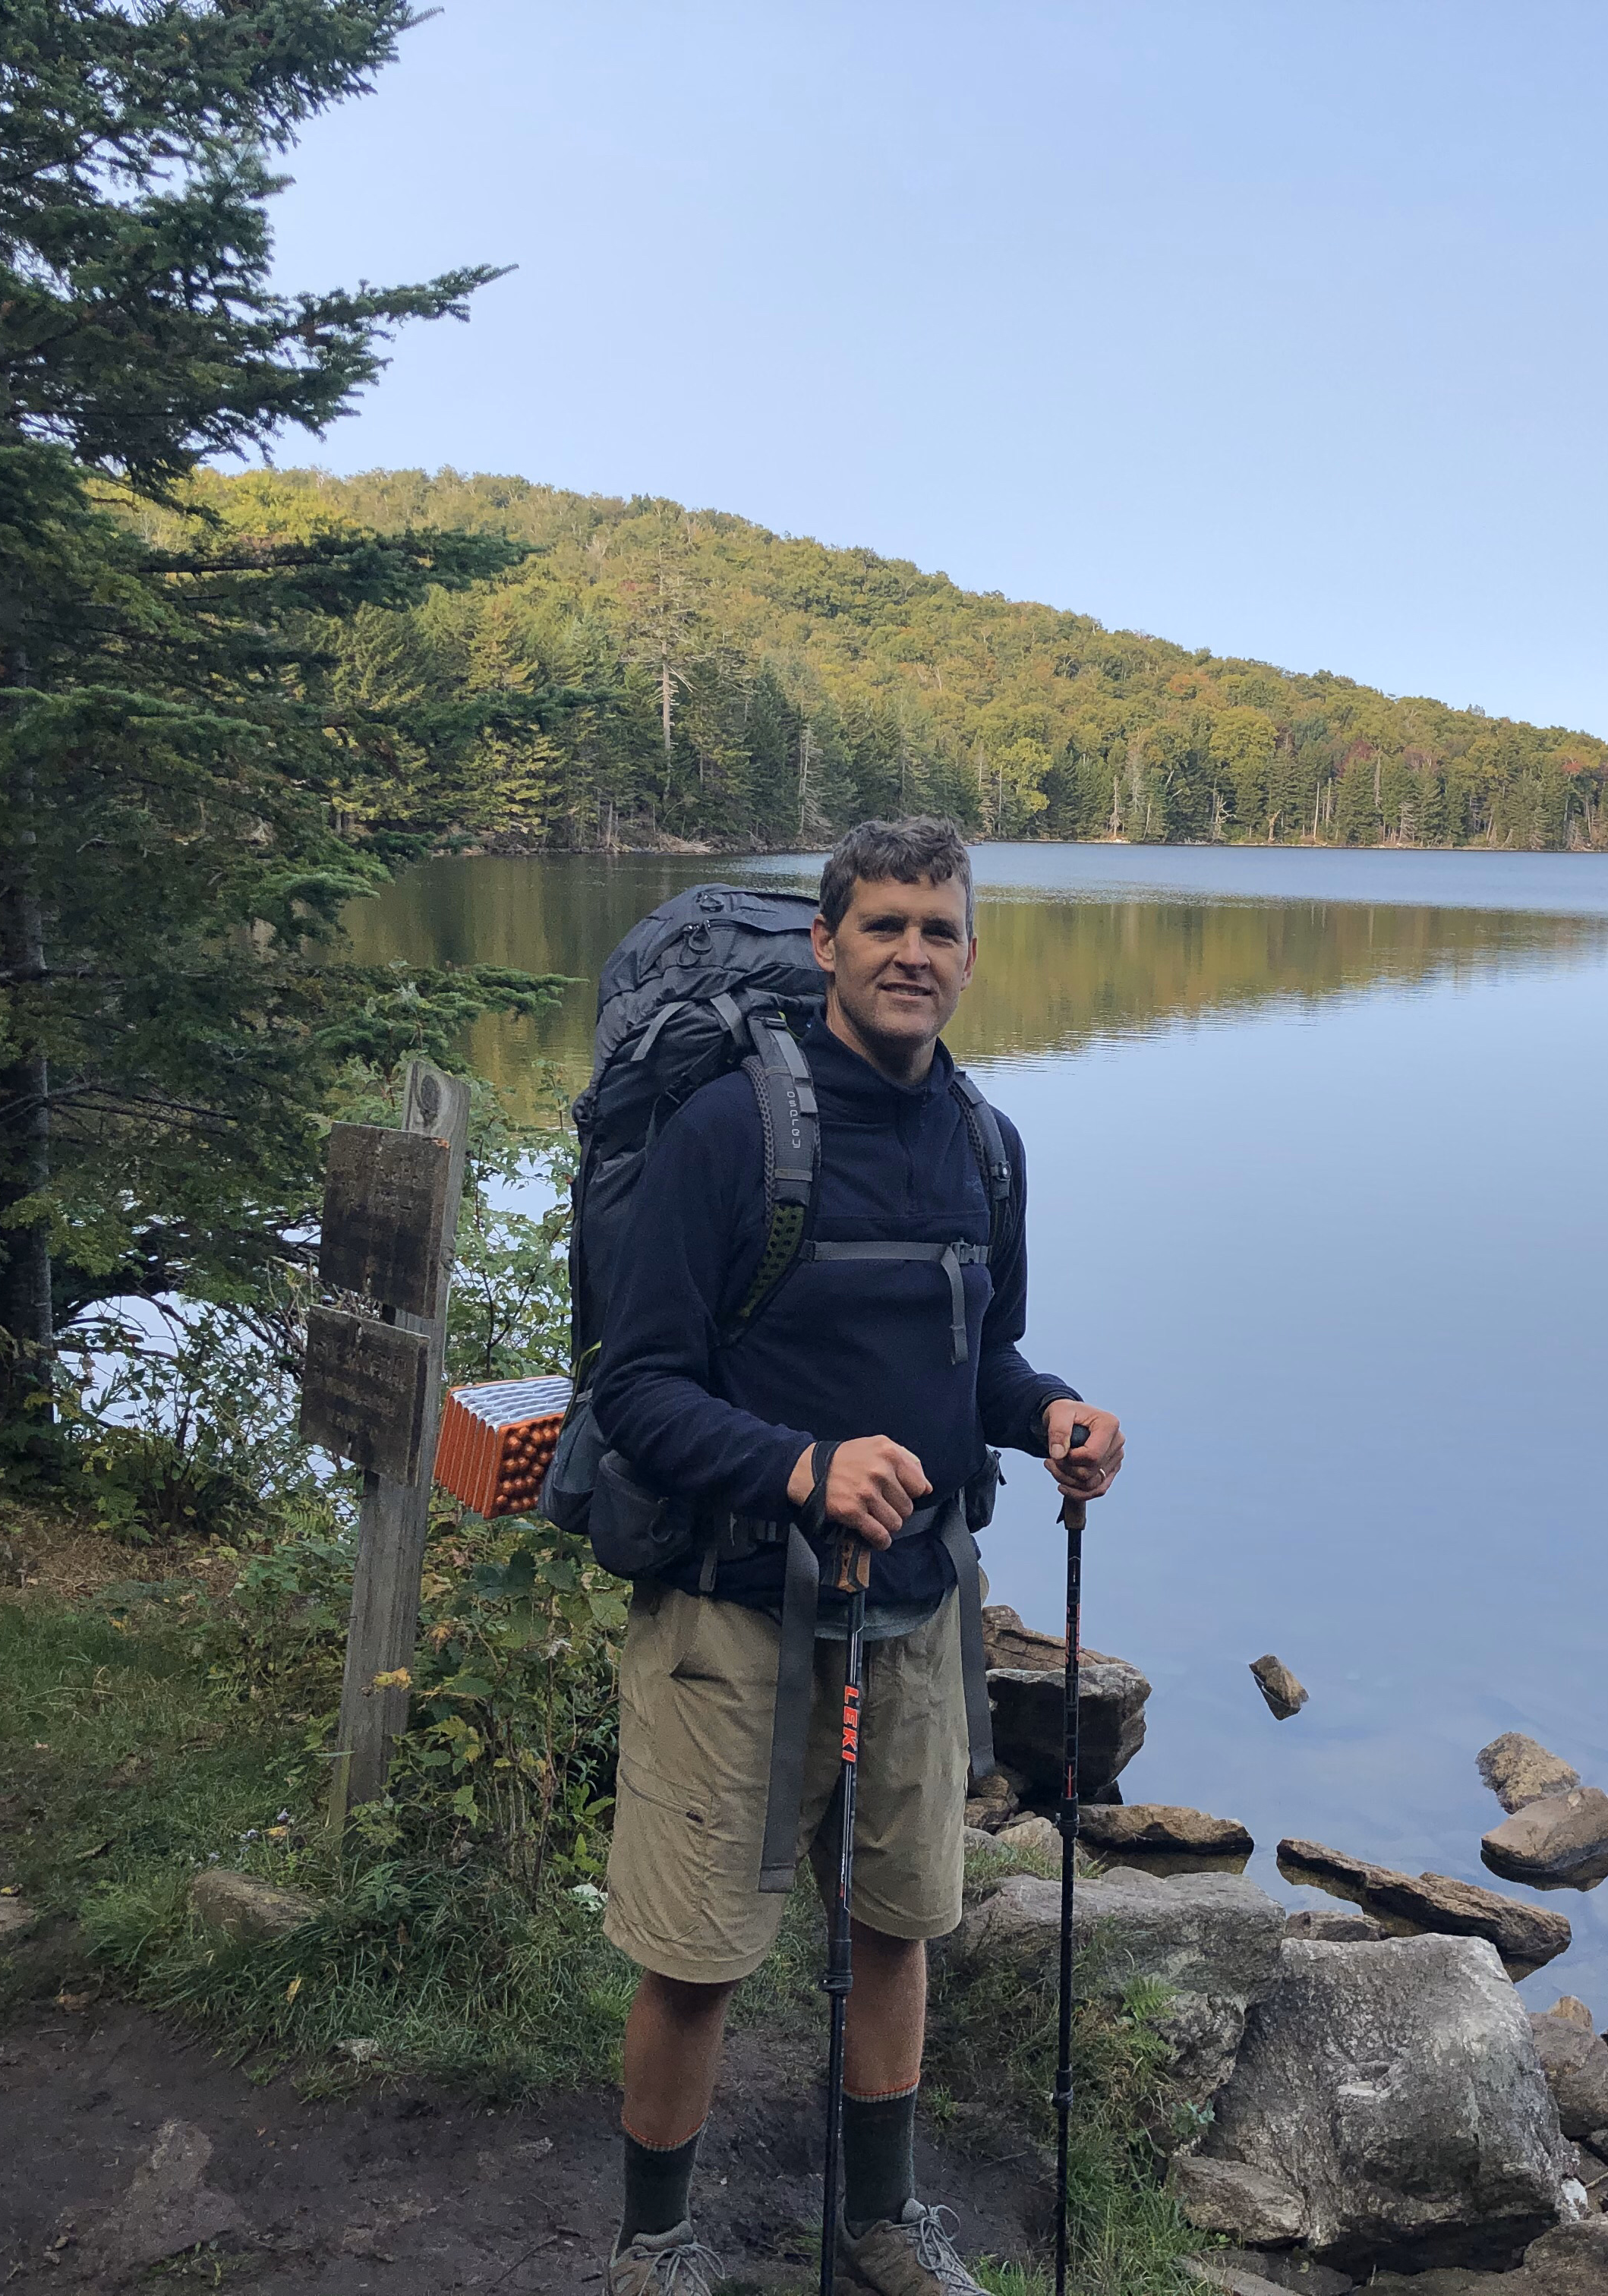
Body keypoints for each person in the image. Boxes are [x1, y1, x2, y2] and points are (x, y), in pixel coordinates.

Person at [590, 816, 1124, 2296]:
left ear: (971, 955)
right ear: (826, 943)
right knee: (698, 1952)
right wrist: (802, 1468)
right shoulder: (728, 1134)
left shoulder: (984, 1147)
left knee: (898, 1927)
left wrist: (1052, 1413)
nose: (912, 953)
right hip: (733, 1612)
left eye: (938, 930)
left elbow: (980, 1358)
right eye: (884, 925)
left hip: (913, 1609)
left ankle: (882, 2223)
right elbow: (637, 1390)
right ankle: (653, 2246)